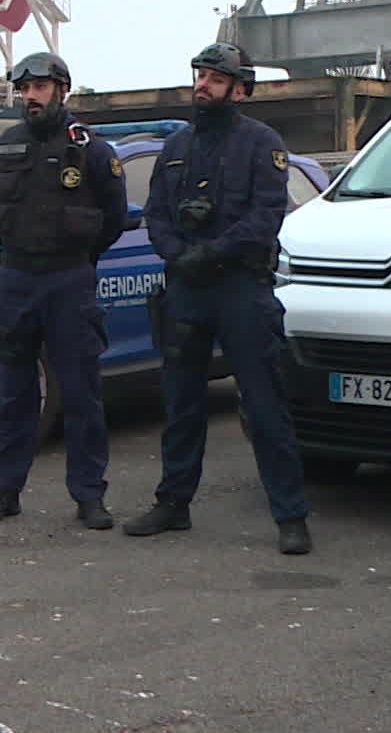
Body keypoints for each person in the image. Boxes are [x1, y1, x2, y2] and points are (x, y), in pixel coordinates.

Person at [125, 42, 312, 555]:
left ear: (239, 88)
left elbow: (266, 216)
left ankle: (290, 515)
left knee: (265, 402)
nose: (203, 84)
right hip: (187, 287)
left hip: (240, 288)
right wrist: (177, 255)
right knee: (181, 401)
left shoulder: (262, 144)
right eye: (200, 75)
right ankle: (174, 502)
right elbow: (157, 213)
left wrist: (210, 253)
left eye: (214, 77)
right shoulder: (178, 146)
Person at [0, 51, 127, 529]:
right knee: (14, 390)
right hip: (17, 278)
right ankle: (5, 491)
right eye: (25, 89)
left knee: (81, 391)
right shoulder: (5, 147)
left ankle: (88, 496)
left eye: (39, 88)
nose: (30, 97)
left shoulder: (92, 150)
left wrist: (77, 258)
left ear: (62, 90)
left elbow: (114, 217)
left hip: (67, 279)